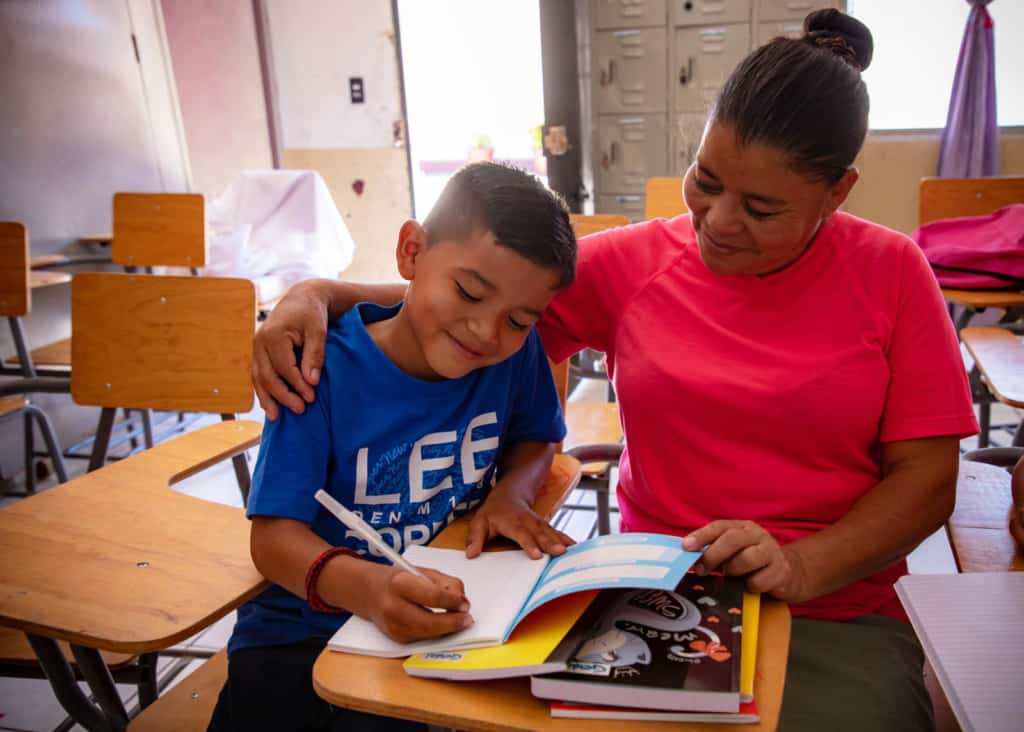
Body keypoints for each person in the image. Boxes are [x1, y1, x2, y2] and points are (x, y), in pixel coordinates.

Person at [252, 10, 978, 731]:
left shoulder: (892, 273)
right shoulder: (634, 264)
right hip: (655, 590)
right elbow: (470, 302)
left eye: (760, 208)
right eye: (706, 179)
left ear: (838, 193)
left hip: (835, 607)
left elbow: (926, 481)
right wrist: (315, 293)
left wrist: (800, 566)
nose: (718, 222)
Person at [208, 162, 577, 732]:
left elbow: (537, 435)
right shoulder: (319, 367)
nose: (486, 331)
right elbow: (274, 540)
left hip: (442, 622)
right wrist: (372, 590)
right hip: (300, 628)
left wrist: (512, 495)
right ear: (411, 251)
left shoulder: (514, 357)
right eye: (468, 293)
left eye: (518, 319)